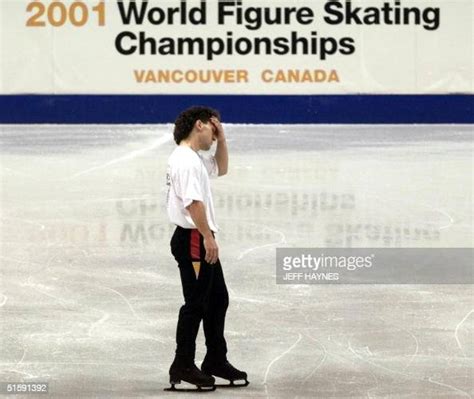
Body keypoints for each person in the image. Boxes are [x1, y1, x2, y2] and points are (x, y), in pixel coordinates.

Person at [165, 106, 248, 392]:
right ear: (199, 125)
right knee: (196, 304)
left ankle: (215, 359)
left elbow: (221, 168)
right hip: (193, 238)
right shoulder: (186, 161)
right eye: (214, 127)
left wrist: (222, 140)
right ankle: (183, 364)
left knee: (218, 299)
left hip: (198, 238)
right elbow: (193, 203)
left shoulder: (194, 158)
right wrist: (207, 237)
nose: (216, 132)